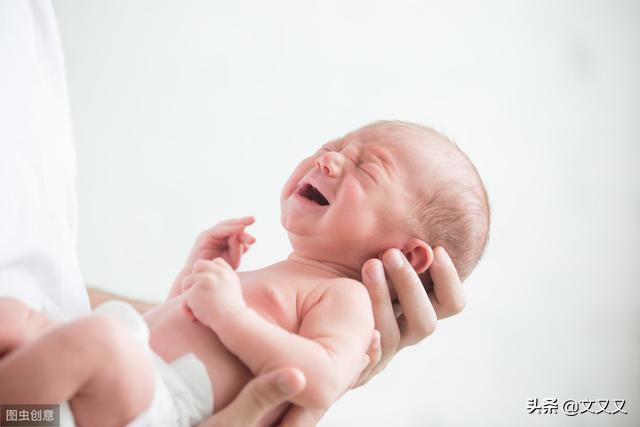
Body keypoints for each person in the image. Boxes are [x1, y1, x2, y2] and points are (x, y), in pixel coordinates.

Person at [0, 121, 482, 426]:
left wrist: (229, 313)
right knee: (19, 318)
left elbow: (317, 379)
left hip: (164, 406)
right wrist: (195, 274)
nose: (328, 158)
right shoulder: (288, 274)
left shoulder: (347, 299)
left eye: (367, 168)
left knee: (97, 340)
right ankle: (25, 417)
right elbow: (174, 328)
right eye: (332, 146)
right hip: (137, 373)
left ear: (411, 257)